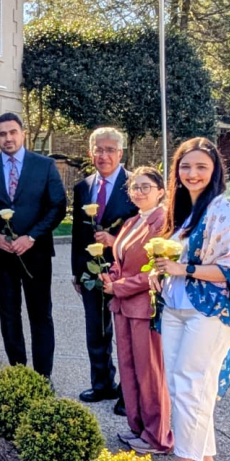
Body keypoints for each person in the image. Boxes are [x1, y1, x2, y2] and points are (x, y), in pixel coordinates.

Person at [150, 138, 230, 461]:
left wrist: (186, 270)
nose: (192, 174)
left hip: (208, 312)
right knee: (184, 385)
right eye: (185, 166)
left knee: (191, 383)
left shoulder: (223, 212)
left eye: (201, 167)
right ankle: (206, 460)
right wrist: (159, 272)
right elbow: (173, 259)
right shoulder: (182, 212)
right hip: (176, 307)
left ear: (215, 172)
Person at [0, 112, 66, 377]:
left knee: (40, 315)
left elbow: (57, 206)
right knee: (8, 314)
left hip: (35, 253)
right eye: (2, 134)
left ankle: (42, 376)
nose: (8, 138)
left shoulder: (44, 166)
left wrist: (32, 236)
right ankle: (18, 373)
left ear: (23, 133)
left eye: (13, 132)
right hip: (1, 254)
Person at [101, 167, 173, 455]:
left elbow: (157, 271)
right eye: (134, 187)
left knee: (150, 373)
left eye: (145, 187)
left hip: (145, 307)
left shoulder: (163, 221)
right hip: (123, 307)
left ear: (160, 191)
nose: (139, 192)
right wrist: (110, 275)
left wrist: (118, 286)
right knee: (129, 369)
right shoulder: (132, 221)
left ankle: (158, 437)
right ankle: (138, 427)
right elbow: (120, 259)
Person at [71, 128, 137, 406]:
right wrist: (77, 272)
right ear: (91, 153)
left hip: (126, 272)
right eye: (99, 149)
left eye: (110, 150)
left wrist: (116, 240)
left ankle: (128, 394)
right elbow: (78, 233)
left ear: (120, 153)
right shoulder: (82, 188)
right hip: (92, 273)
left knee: (127, 333)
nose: (104, 155)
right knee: (96, 331)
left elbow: (144, 230)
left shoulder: (135, 185)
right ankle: (102, 384)